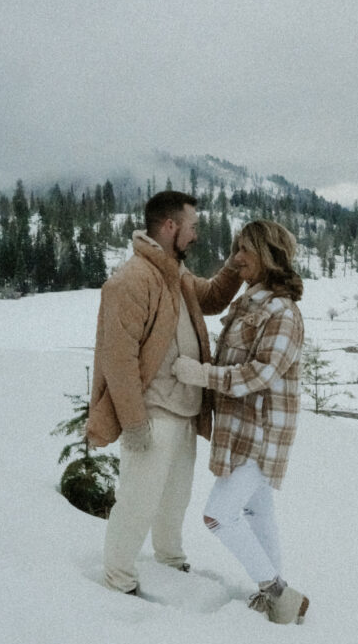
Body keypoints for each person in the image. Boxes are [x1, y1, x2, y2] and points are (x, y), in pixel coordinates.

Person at [86, 191, 242, 595]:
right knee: (138, 501)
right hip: (153, 414)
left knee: (175, 500)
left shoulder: (175, 273)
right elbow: (117, 360)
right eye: (192, 226)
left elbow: (211, 297)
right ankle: (118, 579)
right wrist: (135, 424)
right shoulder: (131, 280)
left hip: (184, 410)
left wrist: (236, 266)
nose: (196, 234)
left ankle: (170, 561)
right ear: (170, 226)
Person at [172, 219, 309, 625]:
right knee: (256, 514)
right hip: (241, 428)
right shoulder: (251, 302)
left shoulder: (283, 313)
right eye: (235, 247)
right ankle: (275, 597)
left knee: (219, 515)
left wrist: (200, 374)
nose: (235, 258)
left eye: (244, 250)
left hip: (260, 433)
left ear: (268, 255)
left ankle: (279, 594)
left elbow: (261, 374)